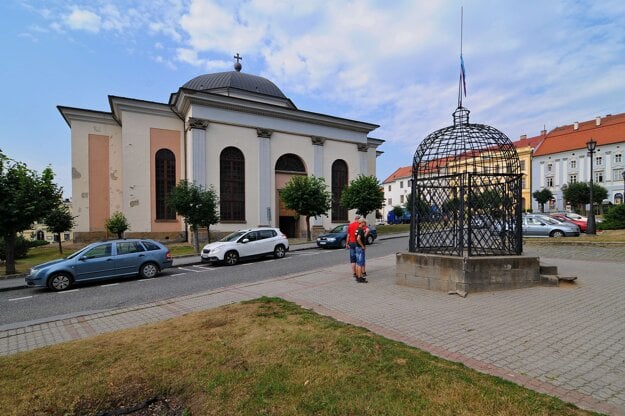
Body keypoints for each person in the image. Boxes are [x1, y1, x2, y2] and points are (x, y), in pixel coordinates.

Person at [346, 214, 361, 279]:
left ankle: (354, 273)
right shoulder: (360, 225)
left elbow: (348, 236)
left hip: (351, 243)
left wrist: (347, 243)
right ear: (359, 219)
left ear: (355, 219)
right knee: (358, 258)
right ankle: (359, 273)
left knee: (352, 259)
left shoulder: (350, 225)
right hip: (358, 243)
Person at [355, 218, 368, 283]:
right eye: (365, 223)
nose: (365, 224)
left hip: (357, 247)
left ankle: (358, 276)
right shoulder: (360, 229)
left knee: (357, 263)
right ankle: (360, 278)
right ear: (362, 222)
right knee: (360, 263)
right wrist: (362, 246)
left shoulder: (357, 229)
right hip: (360, 248)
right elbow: (358, 239)